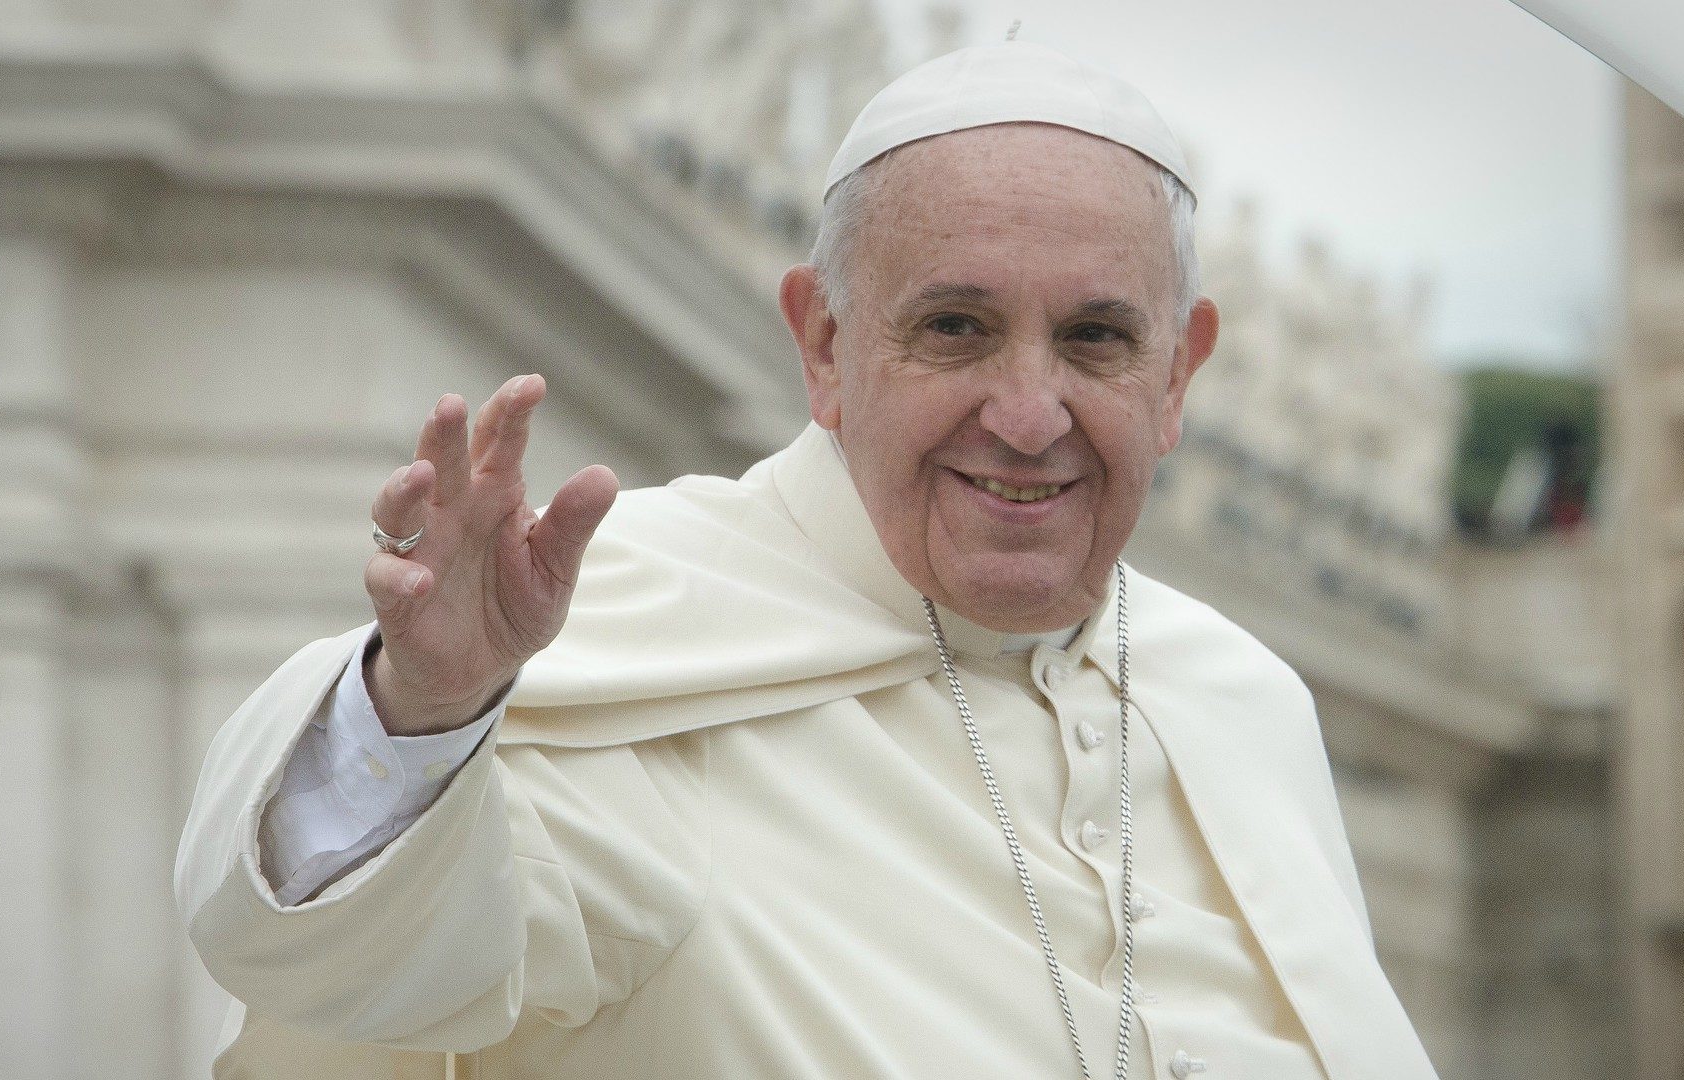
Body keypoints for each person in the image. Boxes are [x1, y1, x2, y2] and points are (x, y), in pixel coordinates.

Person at [176, 40, 1437, 1080]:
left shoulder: (1243, 703)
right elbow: (344, 963)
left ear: (1181, 375)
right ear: (825, 344)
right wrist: (427, 715)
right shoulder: (628, 643)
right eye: (957, 327)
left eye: (1098, 339)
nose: (1029, 412)